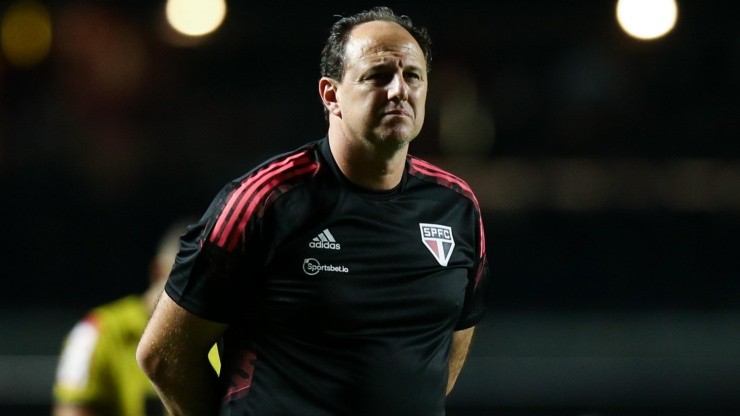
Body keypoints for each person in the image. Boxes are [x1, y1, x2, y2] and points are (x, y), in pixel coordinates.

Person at [137, 6, 489, 416]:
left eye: (413, 75)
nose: (399, 90)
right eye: (377, 76)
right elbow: (164, 356)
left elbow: (449, 349)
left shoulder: (457, 208)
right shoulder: (264, 201)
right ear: (331, 94)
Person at [52, 220, 220, 416]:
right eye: (187, 276)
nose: (197, 290)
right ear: (158, 271)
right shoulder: (96, 332)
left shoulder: (222, 334)